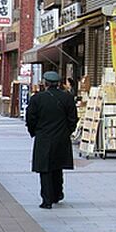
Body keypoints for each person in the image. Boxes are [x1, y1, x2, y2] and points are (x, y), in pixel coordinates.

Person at [26, 71, 78, 209]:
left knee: (45, 168)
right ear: (59, 83)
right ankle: (57, 194)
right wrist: (67, 131)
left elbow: (30, 118)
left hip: (44, 137)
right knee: (57, 166)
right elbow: (73, 119)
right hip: (61, 137)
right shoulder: (67, 98)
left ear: (45, 83)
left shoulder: (37, 99)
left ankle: (46, 200)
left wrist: (34, 131)